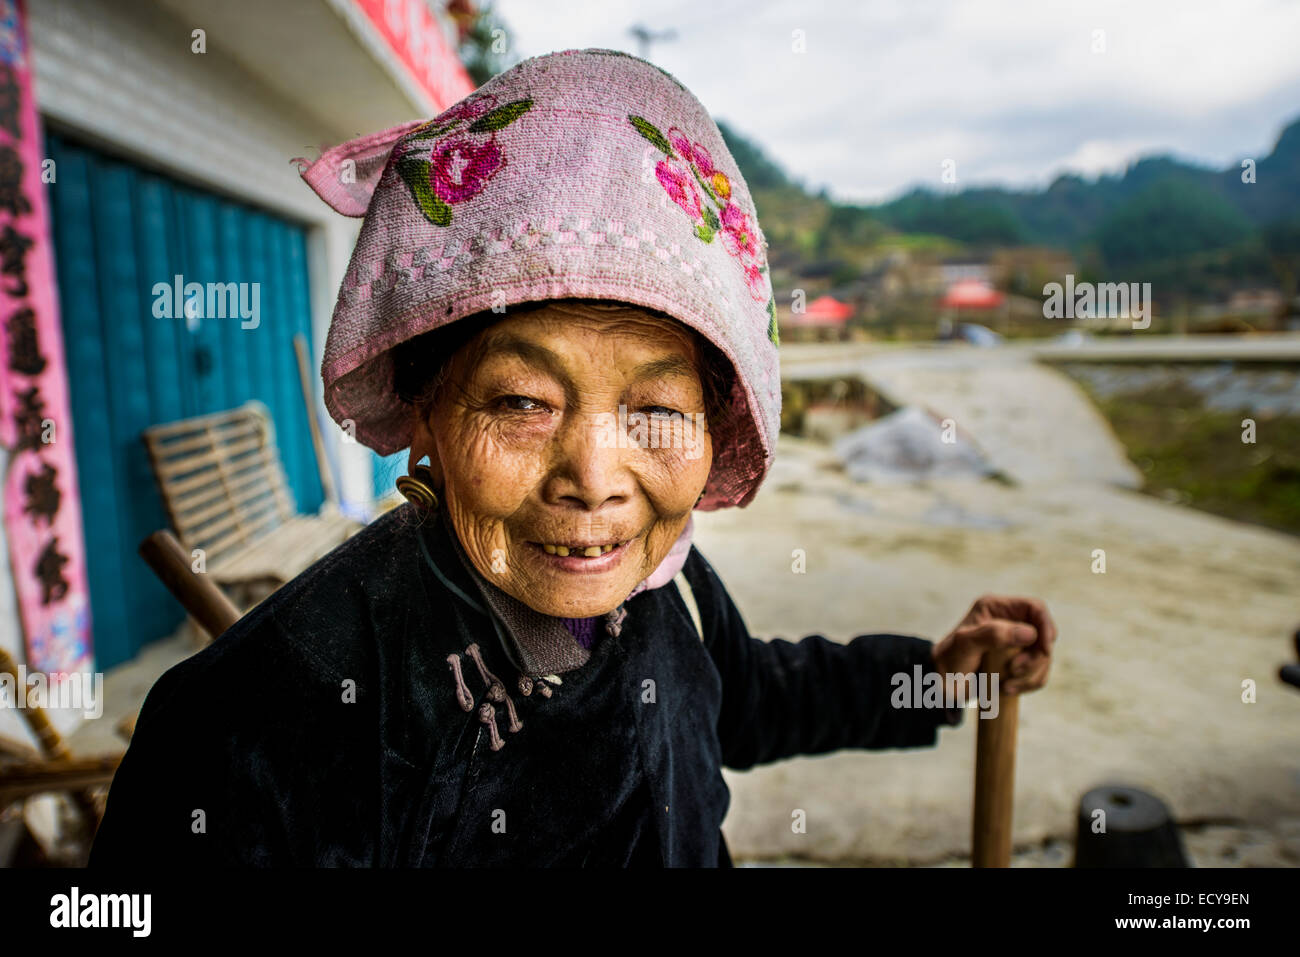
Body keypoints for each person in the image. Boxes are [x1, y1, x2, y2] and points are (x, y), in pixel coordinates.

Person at [89, 48, 1054, 867]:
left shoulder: (664, 583)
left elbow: (749, 695)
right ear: (422, 407)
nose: (596, 478)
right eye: (521, 401)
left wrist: (934, 671)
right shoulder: (253, 725)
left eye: (657, 408)